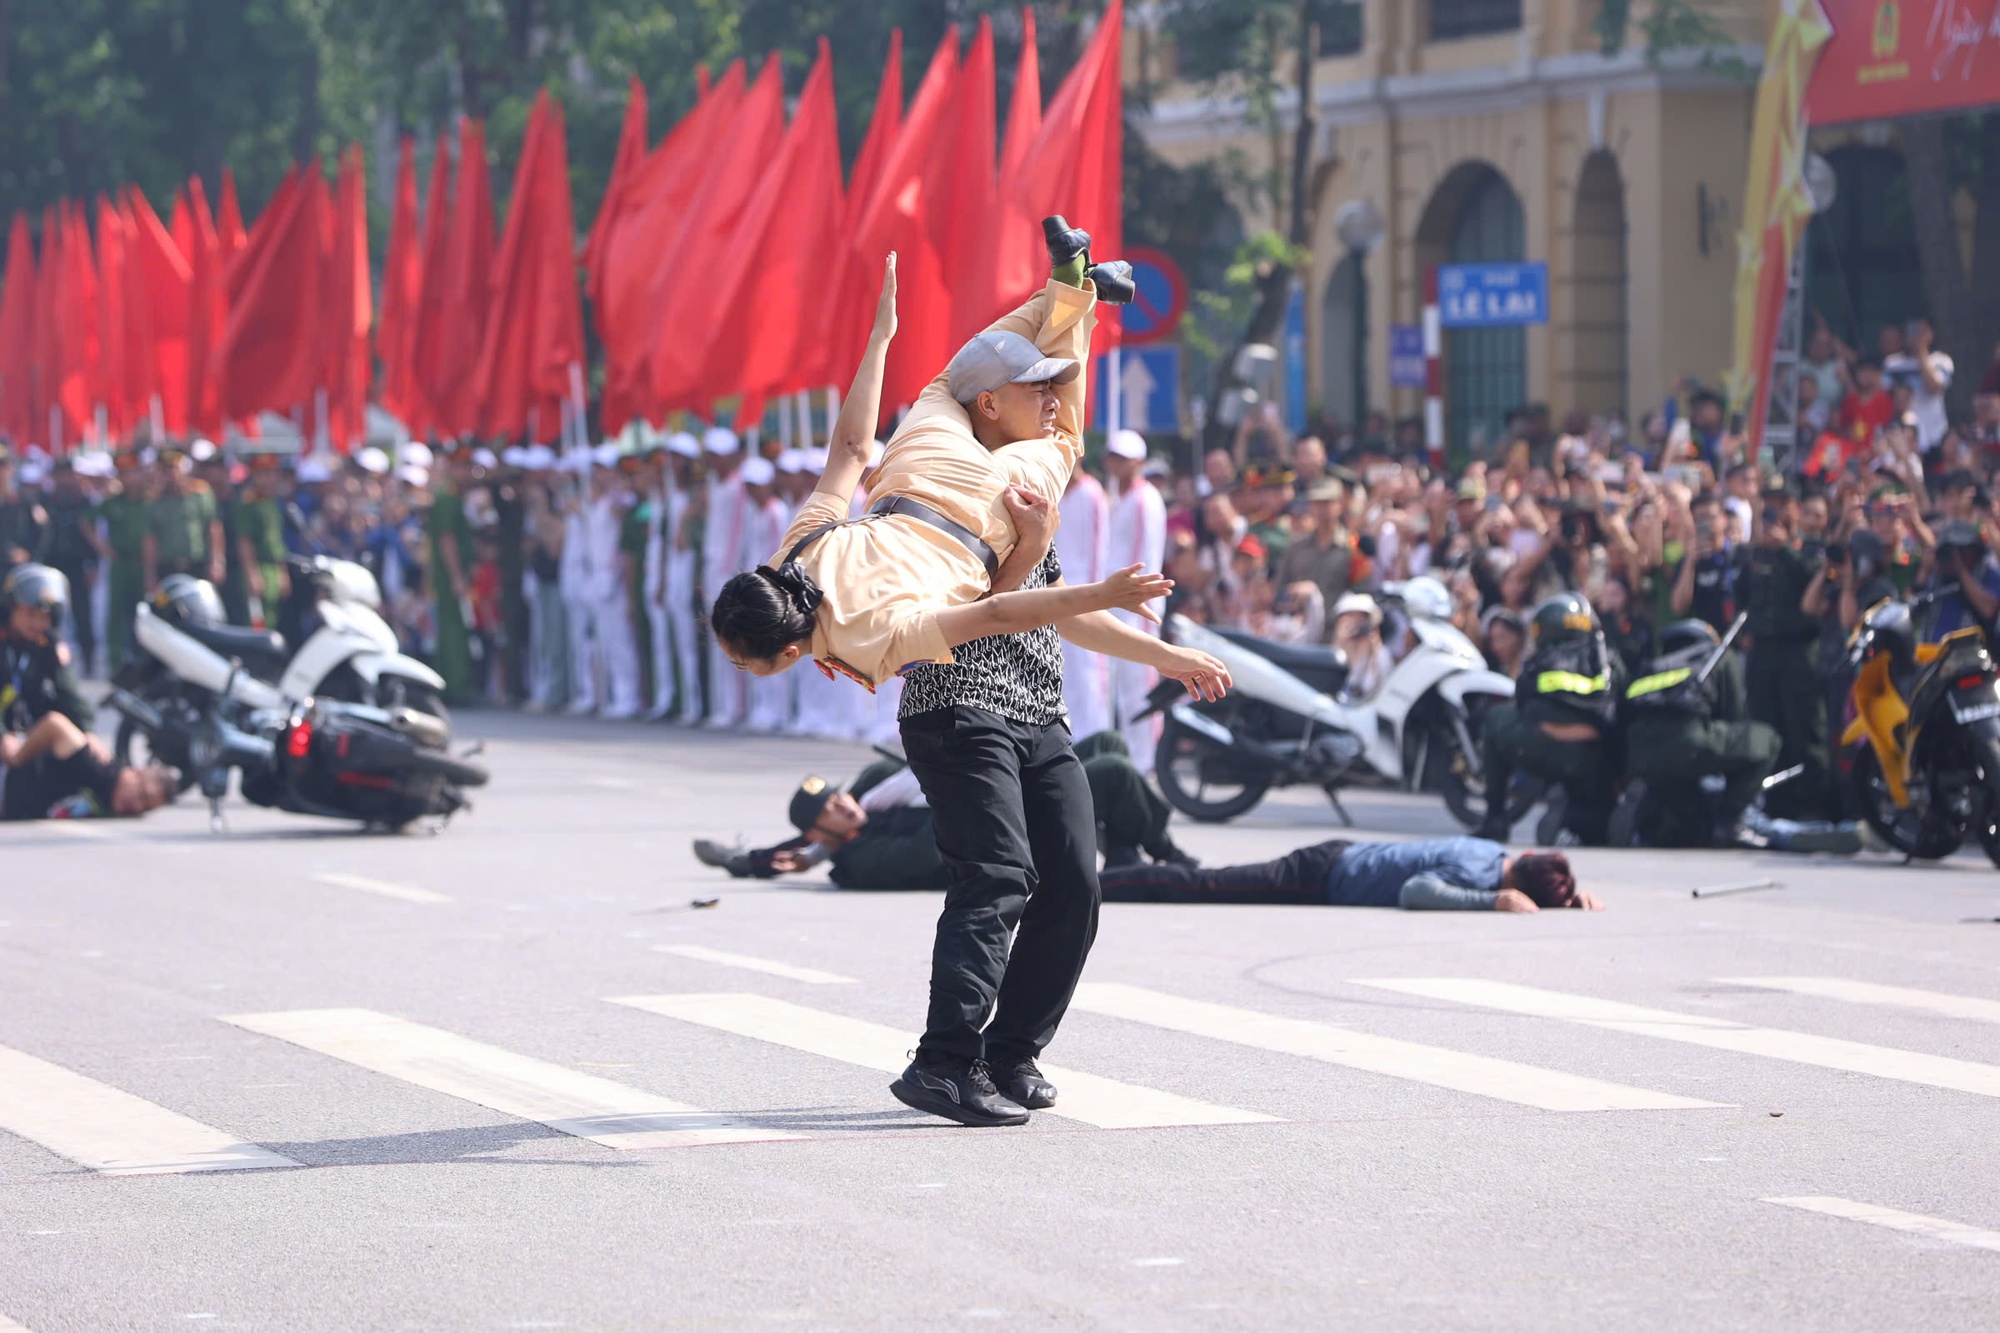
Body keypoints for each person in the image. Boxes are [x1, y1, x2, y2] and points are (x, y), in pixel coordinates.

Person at [708, 252, 1176, 695]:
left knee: (1062, 438)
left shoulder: (868, 647)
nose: (741, 667)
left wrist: (1102, 592)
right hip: (919, 471)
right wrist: (881, 339)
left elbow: (993, 612)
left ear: (789, 654)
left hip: (993, 509)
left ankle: (1076, 291)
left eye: (742, 664)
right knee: (953, 384)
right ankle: (1063, 284)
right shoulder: (793, 553)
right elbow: (851, 451)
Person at [691, 732, 1196, 891]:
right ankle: (1165, 851)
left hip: (1004, 785)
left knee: (1106, 741)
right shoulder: (861, 857)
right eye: (832, 808)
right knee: (1110, 769)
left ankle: (1128, 851)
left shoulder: (872, 798)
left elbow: (868, 788)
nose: (844, 803)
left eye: (839, 795)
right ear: (822, 830)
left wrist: (758, 858)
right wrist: (823, 852)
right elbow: (939, 845)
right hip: (1006, 817)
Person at [1609, 619, 1779, 848]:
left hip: (1640, 756)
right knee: (1765, 740)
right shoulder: (1716, 655)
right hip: (1687, 744)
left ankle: (1648, 814)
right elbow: (1733, 716)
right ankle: (1731, 823)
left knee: (1687, 826)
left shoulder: (1651, 665)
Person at [1097, 838, 1601, 912]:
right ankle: (1098, 885)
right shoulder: (1479, 875)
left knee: (1211, 881)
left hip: (1335, 860)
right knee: (1205, 887)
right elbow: (1415, 890)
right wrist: (1489, 903)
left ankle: (1125, 877)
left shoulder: (1495, 853)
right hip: (1320, 876)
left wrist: (1572, 900)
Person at [1475, 592, 1622, 845]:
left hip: (1548, 749)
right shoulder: (1609, 663)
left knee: (1495, 717)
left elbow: (1521, 705)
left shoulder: (1539, 663)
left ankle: (1495, 819)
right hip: (1599, 761)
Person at [1737, 480, 1830, 818]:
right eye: (1769, 503)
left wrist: (1785, 548)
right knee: (1765, 726)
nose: (1776, 510)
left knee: (1803, 730)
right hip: (1763, 652)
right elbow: (1742, 594)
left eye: (1782, 503)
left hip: (1798, 651)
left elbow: (1815, 582)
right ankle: (1773, 802)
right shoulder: (1756, 551)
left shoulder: (1809, 547)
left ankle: (1813, 805)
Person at [1104, 429, 1168, 768]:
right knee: (1122, 687)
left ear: (1139, 461)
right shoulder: (1119, 495)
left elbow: (1145, 555)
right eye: (1114, 456)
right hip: (1116, 600)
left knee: (1139, 683)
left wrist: (1141, 596)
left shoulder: (1145, 499)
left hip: (1136, 602)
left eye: (1125, 458)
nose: (1118, 463)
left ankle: (1145, 761)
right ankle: (1132, 757)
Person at [0, 709, 175, 821]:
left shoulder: (108, 804)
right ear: (136, 773)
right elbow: (55, 723)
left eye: (145, 808)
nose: (137, 806)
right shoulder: (97, 766)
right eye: (142, 795)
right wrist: (18, 755)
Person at [1, 564, 94, 734]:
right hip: (5, 739)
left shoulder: (48, 645)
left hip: (28, 737)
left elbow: (70, 696)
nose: (37, 623)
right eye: (31, 614)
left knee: (62, 728)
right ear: (11, 608)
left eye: (45, 617)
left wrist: (88, 733)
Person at [1056, 464, 1113, 741]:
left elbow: (1097, 552)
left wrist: (1092, 600)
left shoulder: (1092, 493)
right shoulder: (1051, 488)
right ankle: (1071, 740)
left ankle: (1094, 739)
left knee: (1088, 671)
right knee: (1064, 672)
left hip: (1082, 596)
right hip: (1053, 596)